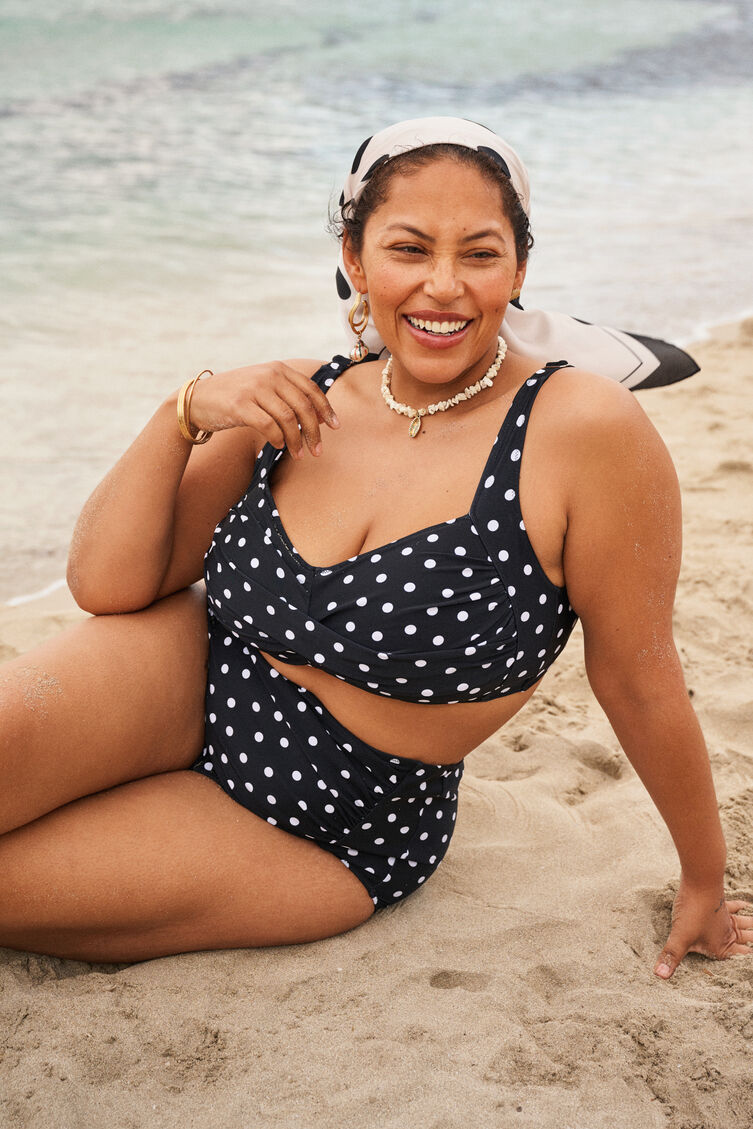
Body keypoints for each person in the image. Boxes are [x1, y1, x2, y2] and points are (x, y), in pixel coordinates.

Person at [1, 117, 750, 976]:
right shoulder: (302, 400)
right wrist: (184, 410)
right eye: (407, 249)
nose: (443, 286)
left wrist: (702, 874)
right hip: (183, 675)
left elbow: (636, 673)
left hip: (334, 819)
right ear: (356, 261)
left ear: (519, 267)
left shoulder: (581, 429)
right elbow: (109, 583)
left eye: (478, 253)